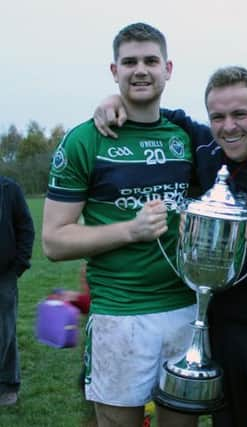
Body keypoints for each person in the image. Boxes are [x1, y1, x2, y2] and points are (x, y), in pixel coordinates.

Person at [93, 66, 247, 427]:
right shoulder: (204, 147)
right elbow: (151, 110)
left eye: (240, 114)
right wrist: (113, 101)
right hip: (217, 331)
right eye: (217, 117)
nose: (228, 127)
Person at [42, 22, 200, 427]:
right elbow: (55, 241)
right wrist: (130, 230)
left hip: (186, 312)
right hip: (119, 315)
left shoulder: (186, 137)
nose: (140, 70)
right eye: (129, 62)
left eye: (150, 61)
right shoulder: (84, 140)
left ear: (168, 68)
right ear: (115, 71)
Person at [0, 176, 34, 406]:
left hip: (4, 274)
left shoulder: (9, 189)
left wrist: (18, 265)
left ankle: (8, 384)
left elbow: (26, 227)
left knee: (5, 331)